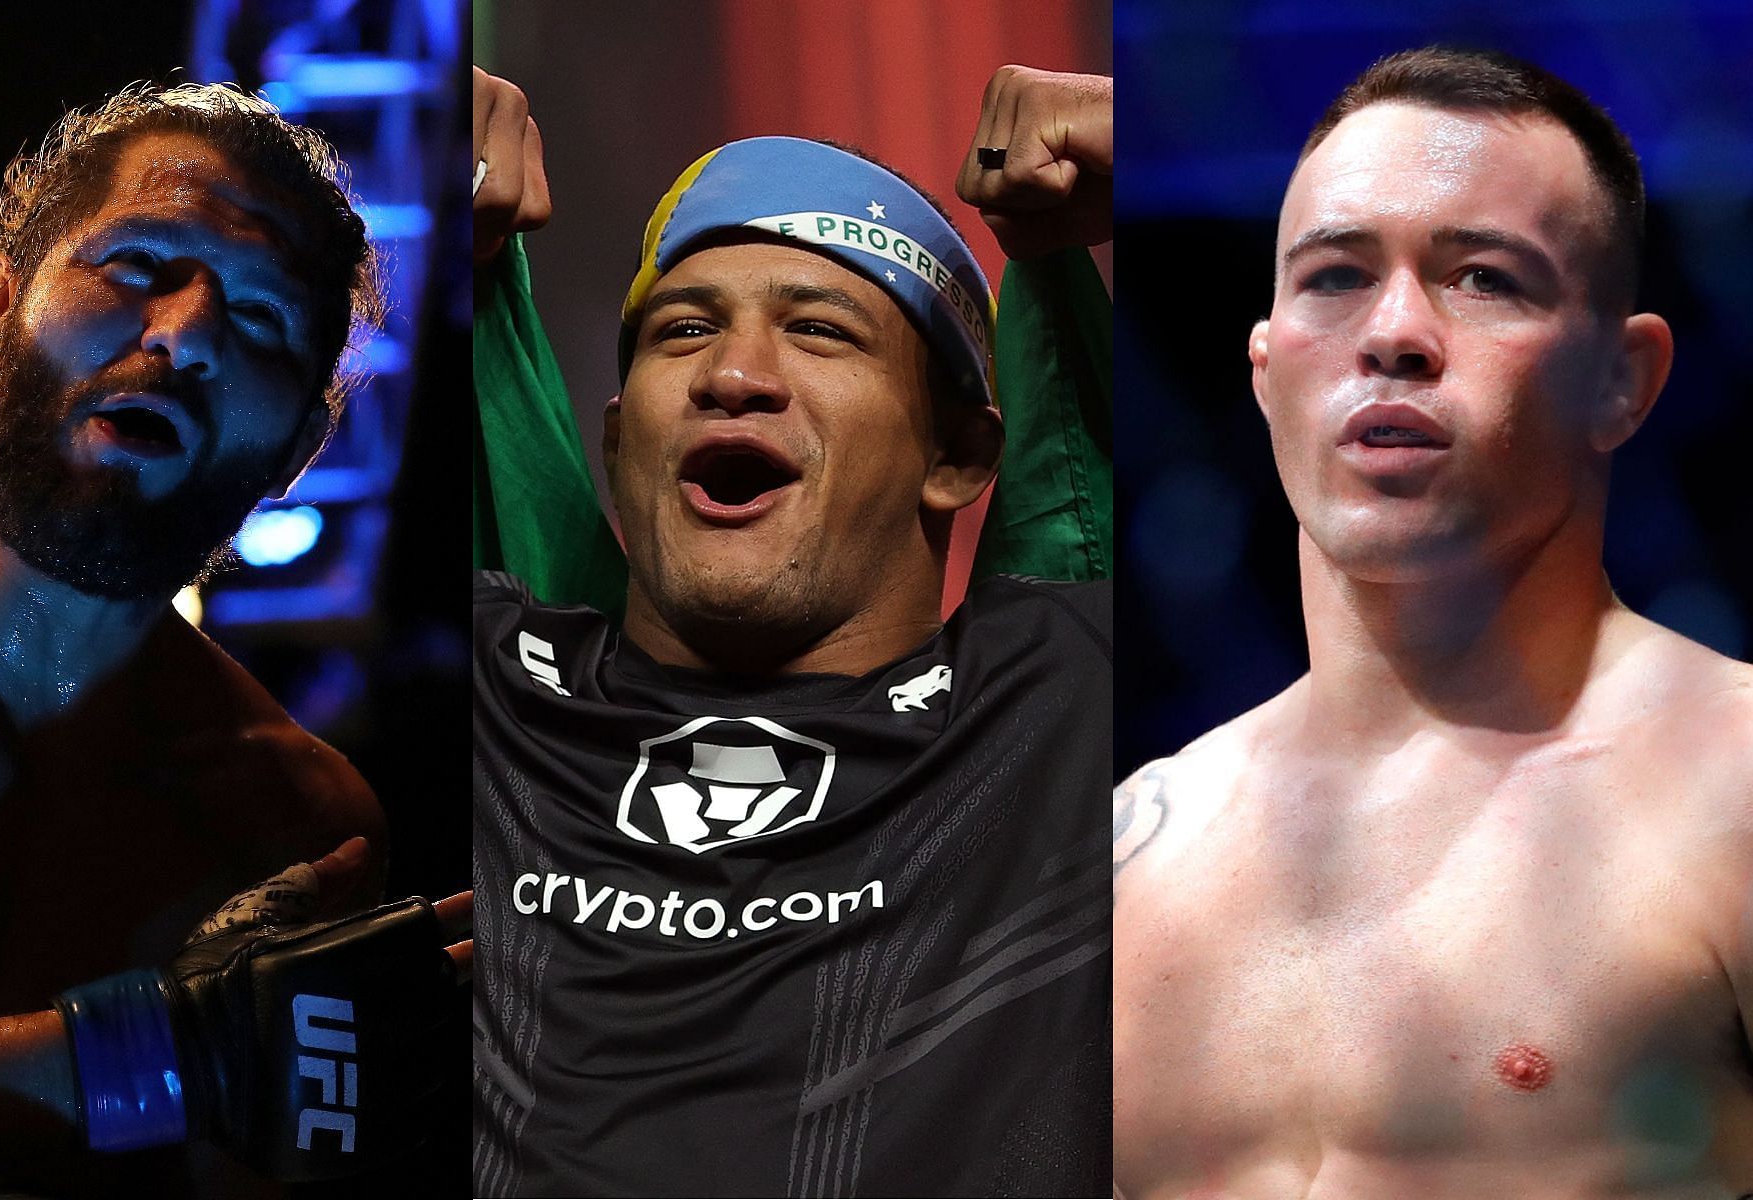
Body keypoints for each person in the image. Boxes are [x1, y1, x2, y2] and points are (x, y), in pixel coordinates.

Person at [1107, 47, 1753, 1197]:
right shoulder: (1125, 857)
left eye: (1485, 278)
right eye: (1336, 276)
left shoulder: (1733, 789)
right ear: (1264, 370)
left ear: (1621, 378)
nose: (1394, 332)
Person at [468, 65, 1115, 1194]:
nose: (733, 375)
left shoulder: (1062, 712)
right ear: (620, 447)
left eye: (820, 330)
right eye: (683, 329)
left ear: (957, 456)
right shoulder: (490, 686)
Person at [0, 82, 396, 1197]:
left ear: (290, 456)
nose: (183, 336)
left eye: (262, 321)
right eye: (137, 267)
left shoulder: (293, 821)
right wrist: (148, 1063)